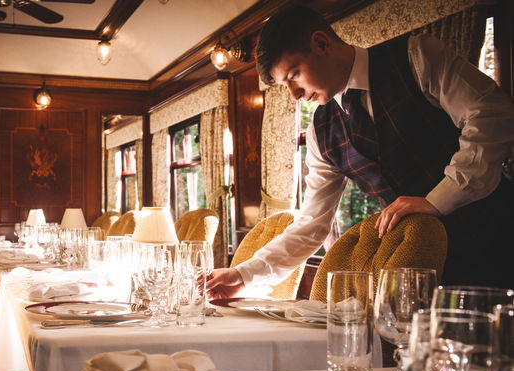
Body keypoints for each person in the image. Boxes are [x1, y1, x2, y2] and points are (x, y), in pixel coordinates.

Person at [207, 6, 514, 298]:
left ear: (321, 43)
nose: (295, 95)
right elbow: (312, 221)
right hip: (416, 272)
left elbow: (491, 114)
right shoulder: (319, 131)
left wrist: (437, 200)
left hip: (495, 237)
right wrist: (243, 275)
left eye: (294, 75)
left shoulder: (416, 56)